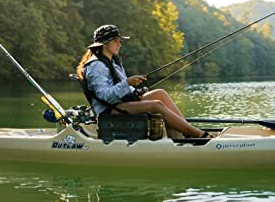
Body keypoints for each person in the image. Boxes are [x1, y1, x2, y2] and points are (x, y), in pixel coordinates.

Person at [77, 24, 212, 138]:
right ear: (104, 44)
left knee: (160, 93)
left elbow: (121, 89)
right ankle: (198, 135)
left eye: (120, 40)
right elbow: (104, 96)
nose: (119, 43)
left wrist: (135, 91)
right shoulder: (96, 66)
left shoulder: (113, 62)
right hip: (109, 110)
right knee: (156, 105)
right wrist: (127, 83)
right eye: (115, 40)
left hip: (121, 103)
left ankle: (184, 131)